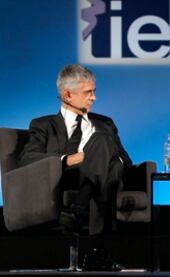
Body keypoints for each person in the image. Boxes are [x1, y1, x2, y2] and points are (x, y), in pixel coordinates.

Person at [19, 64, 132, 271]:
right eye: (88, 92)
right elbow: (27, 158)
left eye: (94, 92)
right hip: (66, 177)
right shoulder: (44, 125)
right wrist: (68, 159)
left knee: (109, 155)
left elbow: (126, 159)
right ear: (68, 95)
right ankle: (97, 252)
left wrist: (106, 159)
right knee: (110, 165)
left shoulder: (105, 123)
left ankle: (77, 210)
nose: (94, 98)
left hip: (104, 176)